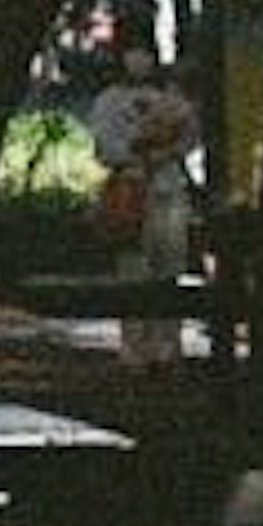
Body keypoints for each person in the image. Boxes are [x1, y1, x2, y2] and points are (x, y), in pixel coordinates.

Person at [85, 42, 204, 370]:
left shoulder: (172, 100)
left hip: (168, 189)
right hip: (129, 190)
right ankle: (134, 348)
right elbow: (104, 147)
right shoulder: (107, 101)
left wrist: (164, 152)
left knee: (169, 267)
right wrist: (136, 154)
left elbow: (191, 137)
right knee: (132, 269)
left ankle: (167, 345)